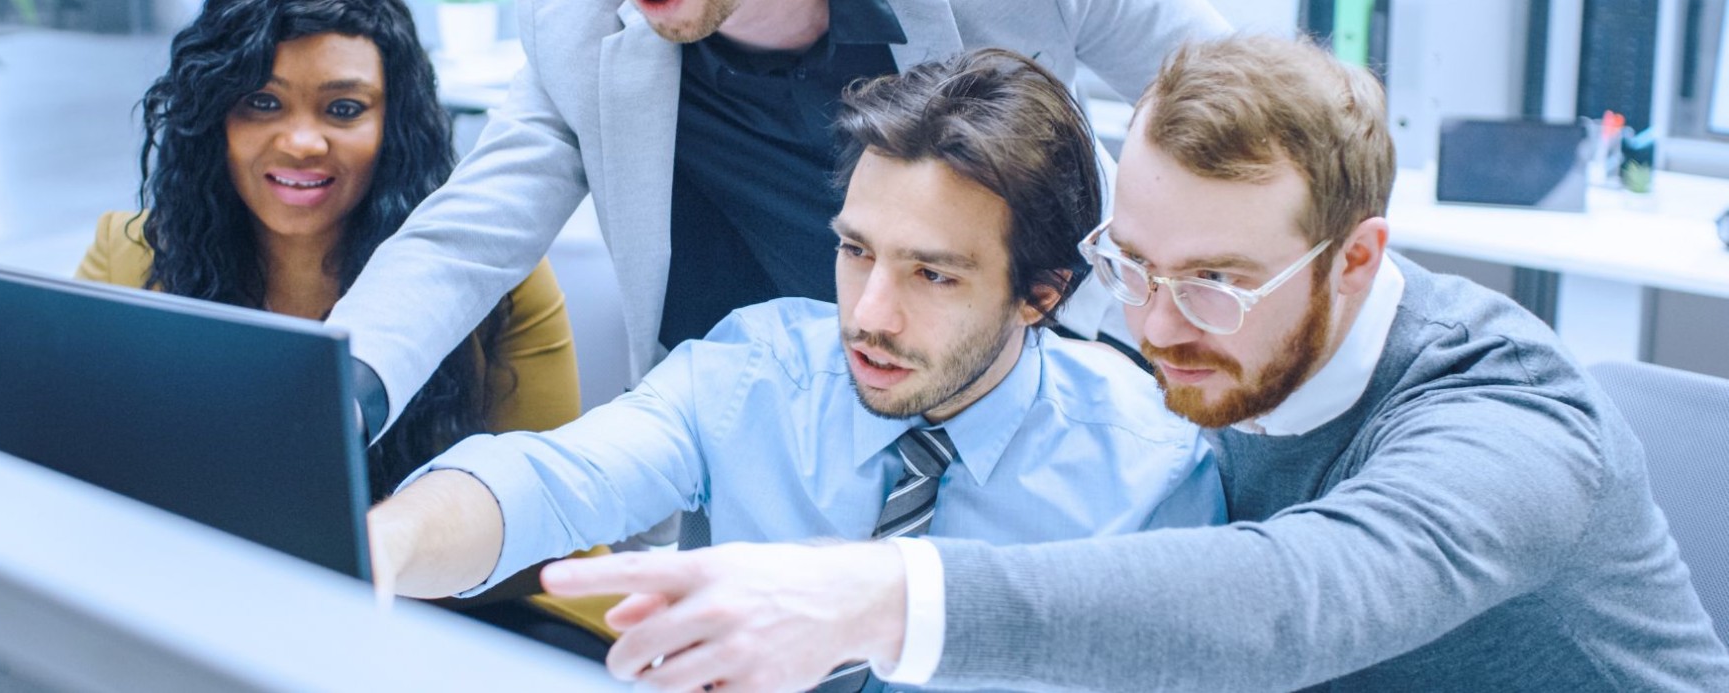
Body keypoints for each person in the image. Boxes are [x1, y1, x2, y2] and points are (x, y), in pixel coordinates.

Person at [540, 35, 1729, 692]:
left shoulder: (1511, 425)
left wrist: (874, 595)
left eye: (1214, 280)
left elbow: (1290, 604)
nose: (1155, 324)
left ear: (1357, 260)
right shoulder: (1206, 345)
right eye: (1135, 264)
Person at [325, 0, 1229, 444]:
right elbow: (466, 232)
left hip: (1046, 410)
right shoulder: (573, 7)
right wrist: (334, 389)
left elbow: (1246, 107)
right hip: (772, 462)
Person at [368, 49, 1224, 688]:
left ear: (1041, 293)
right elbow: (555, 478)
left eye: (932, 274)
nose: (869, 314)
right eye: (856, 250)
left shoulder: (1150, 472)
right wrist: (387, 543)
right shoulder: (758, 369)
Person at [73, 0, 610, 649]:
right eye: (262, 102)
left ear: (394, 125)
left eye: (344, 108)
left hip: (469, 631)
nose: (301, 141)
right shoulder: (131, 257)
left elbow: (550, 534)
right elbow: (77, 488)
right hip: (222, 626)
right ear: (214, 118)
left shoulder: (497, 277)